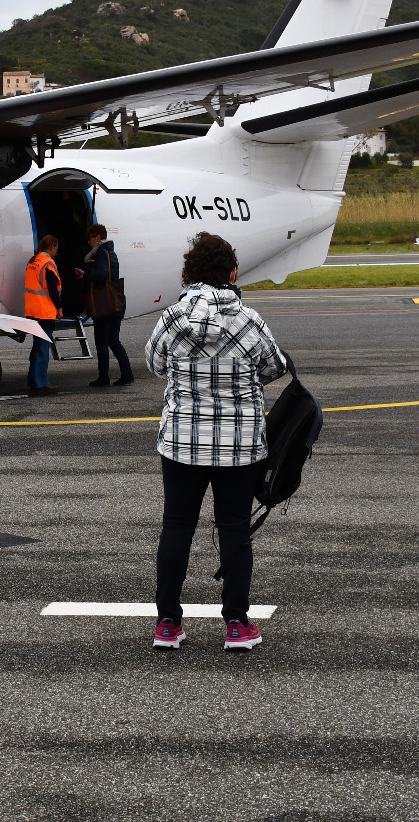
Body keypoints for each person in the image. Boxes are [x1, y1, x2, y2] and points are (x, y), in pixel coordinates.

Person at [144, 231, 287, 651]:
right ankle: (237, 623)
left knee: (176, 527)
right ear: (232, 273)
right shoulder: (248, 320)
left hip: (182, 441)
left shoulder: (172, 319)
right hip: (239, 445)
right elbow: (275, 367)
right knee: (235, 529)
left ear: (190, 273)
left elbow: (154, 364)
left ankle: (168, 622)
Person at [81, 224, 134, 388]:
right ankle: (127, 374)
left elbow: (102, 274)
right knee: (113, 341)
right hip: (116, 302)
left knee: (102, 342)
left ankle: (104, 378)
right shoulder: (111, 252)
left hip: (104, 303)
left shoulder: (101, 253)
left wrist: (86, 273)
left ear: (97, 237)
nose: (88, 242)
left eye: (90, 238)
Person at [22, 234, 62, 396]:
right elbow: (52, 290)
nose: (56, 252)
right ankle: (41, 383)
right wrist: (59, 308)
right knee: (42, 349)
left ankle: (34, 380)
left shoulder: (33, 262)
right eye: (56, 248)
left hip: (32, 311)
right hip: (44, 311)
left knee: (37, 347)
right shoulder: (48, 264)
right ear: (52, 247)